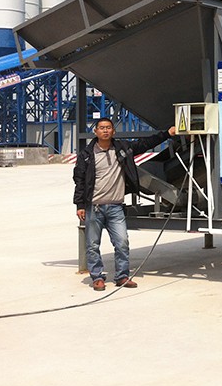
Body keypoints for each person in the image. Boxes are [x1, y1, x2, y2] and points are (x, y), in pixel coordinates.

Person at [73, 118, 177, 291]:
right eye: (101, 128)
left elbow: (145, 144)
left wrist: (167, 133)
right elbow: (79, 181)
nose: (105, 131)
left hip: (116, 207)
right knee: (92, 245)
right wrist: (80, 205)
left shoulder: (123, 149)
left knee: (122, 242)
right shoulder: (87, 154)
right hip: (94, 207)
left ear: (113, 131)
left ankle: (122, 276)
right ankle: (97, 277)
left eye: (108, 128)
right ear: (96, 131)